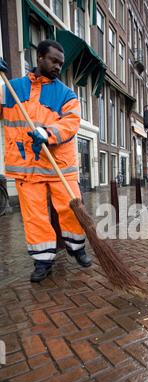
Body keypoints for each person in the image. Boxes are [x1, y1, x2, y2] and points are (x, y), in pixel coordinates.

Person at [0, 40, 92, 282]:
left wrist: (47, 134)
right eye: (54, 61)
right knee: (35, 218)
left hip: (59, 165)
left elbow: (70, 124)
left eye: (61, 63)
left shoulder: (66, 94)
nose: (58, 67)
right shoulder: (10, 89)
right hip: (26, 168)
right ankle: (43, 261)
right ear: (39, 57)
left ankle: (77, 248)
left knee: (73, 209)